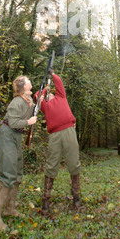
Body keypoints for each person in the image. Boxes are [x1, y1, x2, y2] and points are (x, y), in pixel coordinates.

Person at [0, 76, 37, 232]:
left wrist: (43, 96)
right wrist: (29, 122)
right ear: (23, 87)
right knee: (8, 175)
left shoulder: (28, 101)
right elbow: (14, 122)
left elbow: (35, 106)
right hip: (7, 135)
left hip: (17, 136)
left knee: (17, 174)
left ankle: (9, 209)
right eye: (28, 81)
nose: (31, 83)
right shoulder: (16, 102)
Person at [35, 71, 81, 215]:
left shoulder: (61, 96)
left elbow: (59, 83)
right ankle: (46, 199)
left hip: (69, 131)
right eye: (48, 96)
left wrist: (53, 74)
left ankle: (76, 197)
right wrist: (44, 91)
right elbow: (36, 97)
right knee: (51, 165)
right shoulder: (45, 106)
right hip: (54, 136)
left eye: (50, 93)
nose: (49, 95)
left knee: (74, 163)